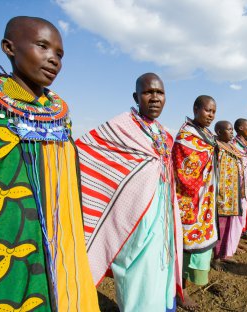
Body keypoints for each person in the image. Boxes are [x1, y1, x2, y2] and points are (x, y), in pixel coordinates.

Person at [0, 16, 99, 311]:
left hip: (57, 235)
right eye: (43, 46)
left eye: (60, 55)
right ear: (9, 47)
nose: (53, 60)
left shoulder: (58, 114)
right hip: (3, 239)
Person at [76, 73, 183, 312]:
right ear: (136, 97)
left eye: (160, 93)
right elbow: (85, 150)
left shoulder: (165, 134)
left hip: (162, 213)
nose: (155, 98)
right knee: (137, 268)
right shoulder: (121, 126)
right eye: (148, 92)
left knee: (161, 263)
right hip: (134, 217)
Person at [172, 95, 219, 310]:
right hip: (188, 202)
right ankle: (180, 292)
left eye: (214, 112)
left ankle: (184, 287)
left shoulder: (207, 134)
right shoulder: (186, 136)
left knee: (195, 250)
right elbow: (184, 173)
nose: (211, 115)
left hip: (204, 200)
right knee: (183, 248)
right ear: (196, 108)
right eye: (207, 110)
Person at [211, 121, 244, 271]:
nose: (231, 132)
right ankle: (215, 258)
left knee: (229, 226)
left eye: (232, 130)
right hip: (221, 195)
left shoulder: (231, 146)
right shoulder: (215, 146)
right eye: (228, 130)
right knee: (220, 227)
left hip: (232, 194)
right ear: (218, 131)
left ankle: (224, 254)